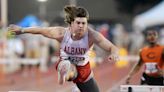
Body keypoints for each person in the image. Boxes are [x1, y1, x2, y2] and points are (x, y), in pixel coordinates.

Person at [8, 5, 119, 92]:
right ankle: (64, 74)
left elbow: (111, 47)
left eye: (84, 23)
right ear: (71, 23)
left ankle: (76, 88)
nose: (81, 26)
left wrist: (114, 53)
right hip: (65, 63)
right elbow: (41, 30)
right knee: (68, 66)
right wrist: (22, 30)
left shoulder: (92, 35)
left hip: (83, 67)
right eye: (78, 23)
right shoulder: (61, 33)